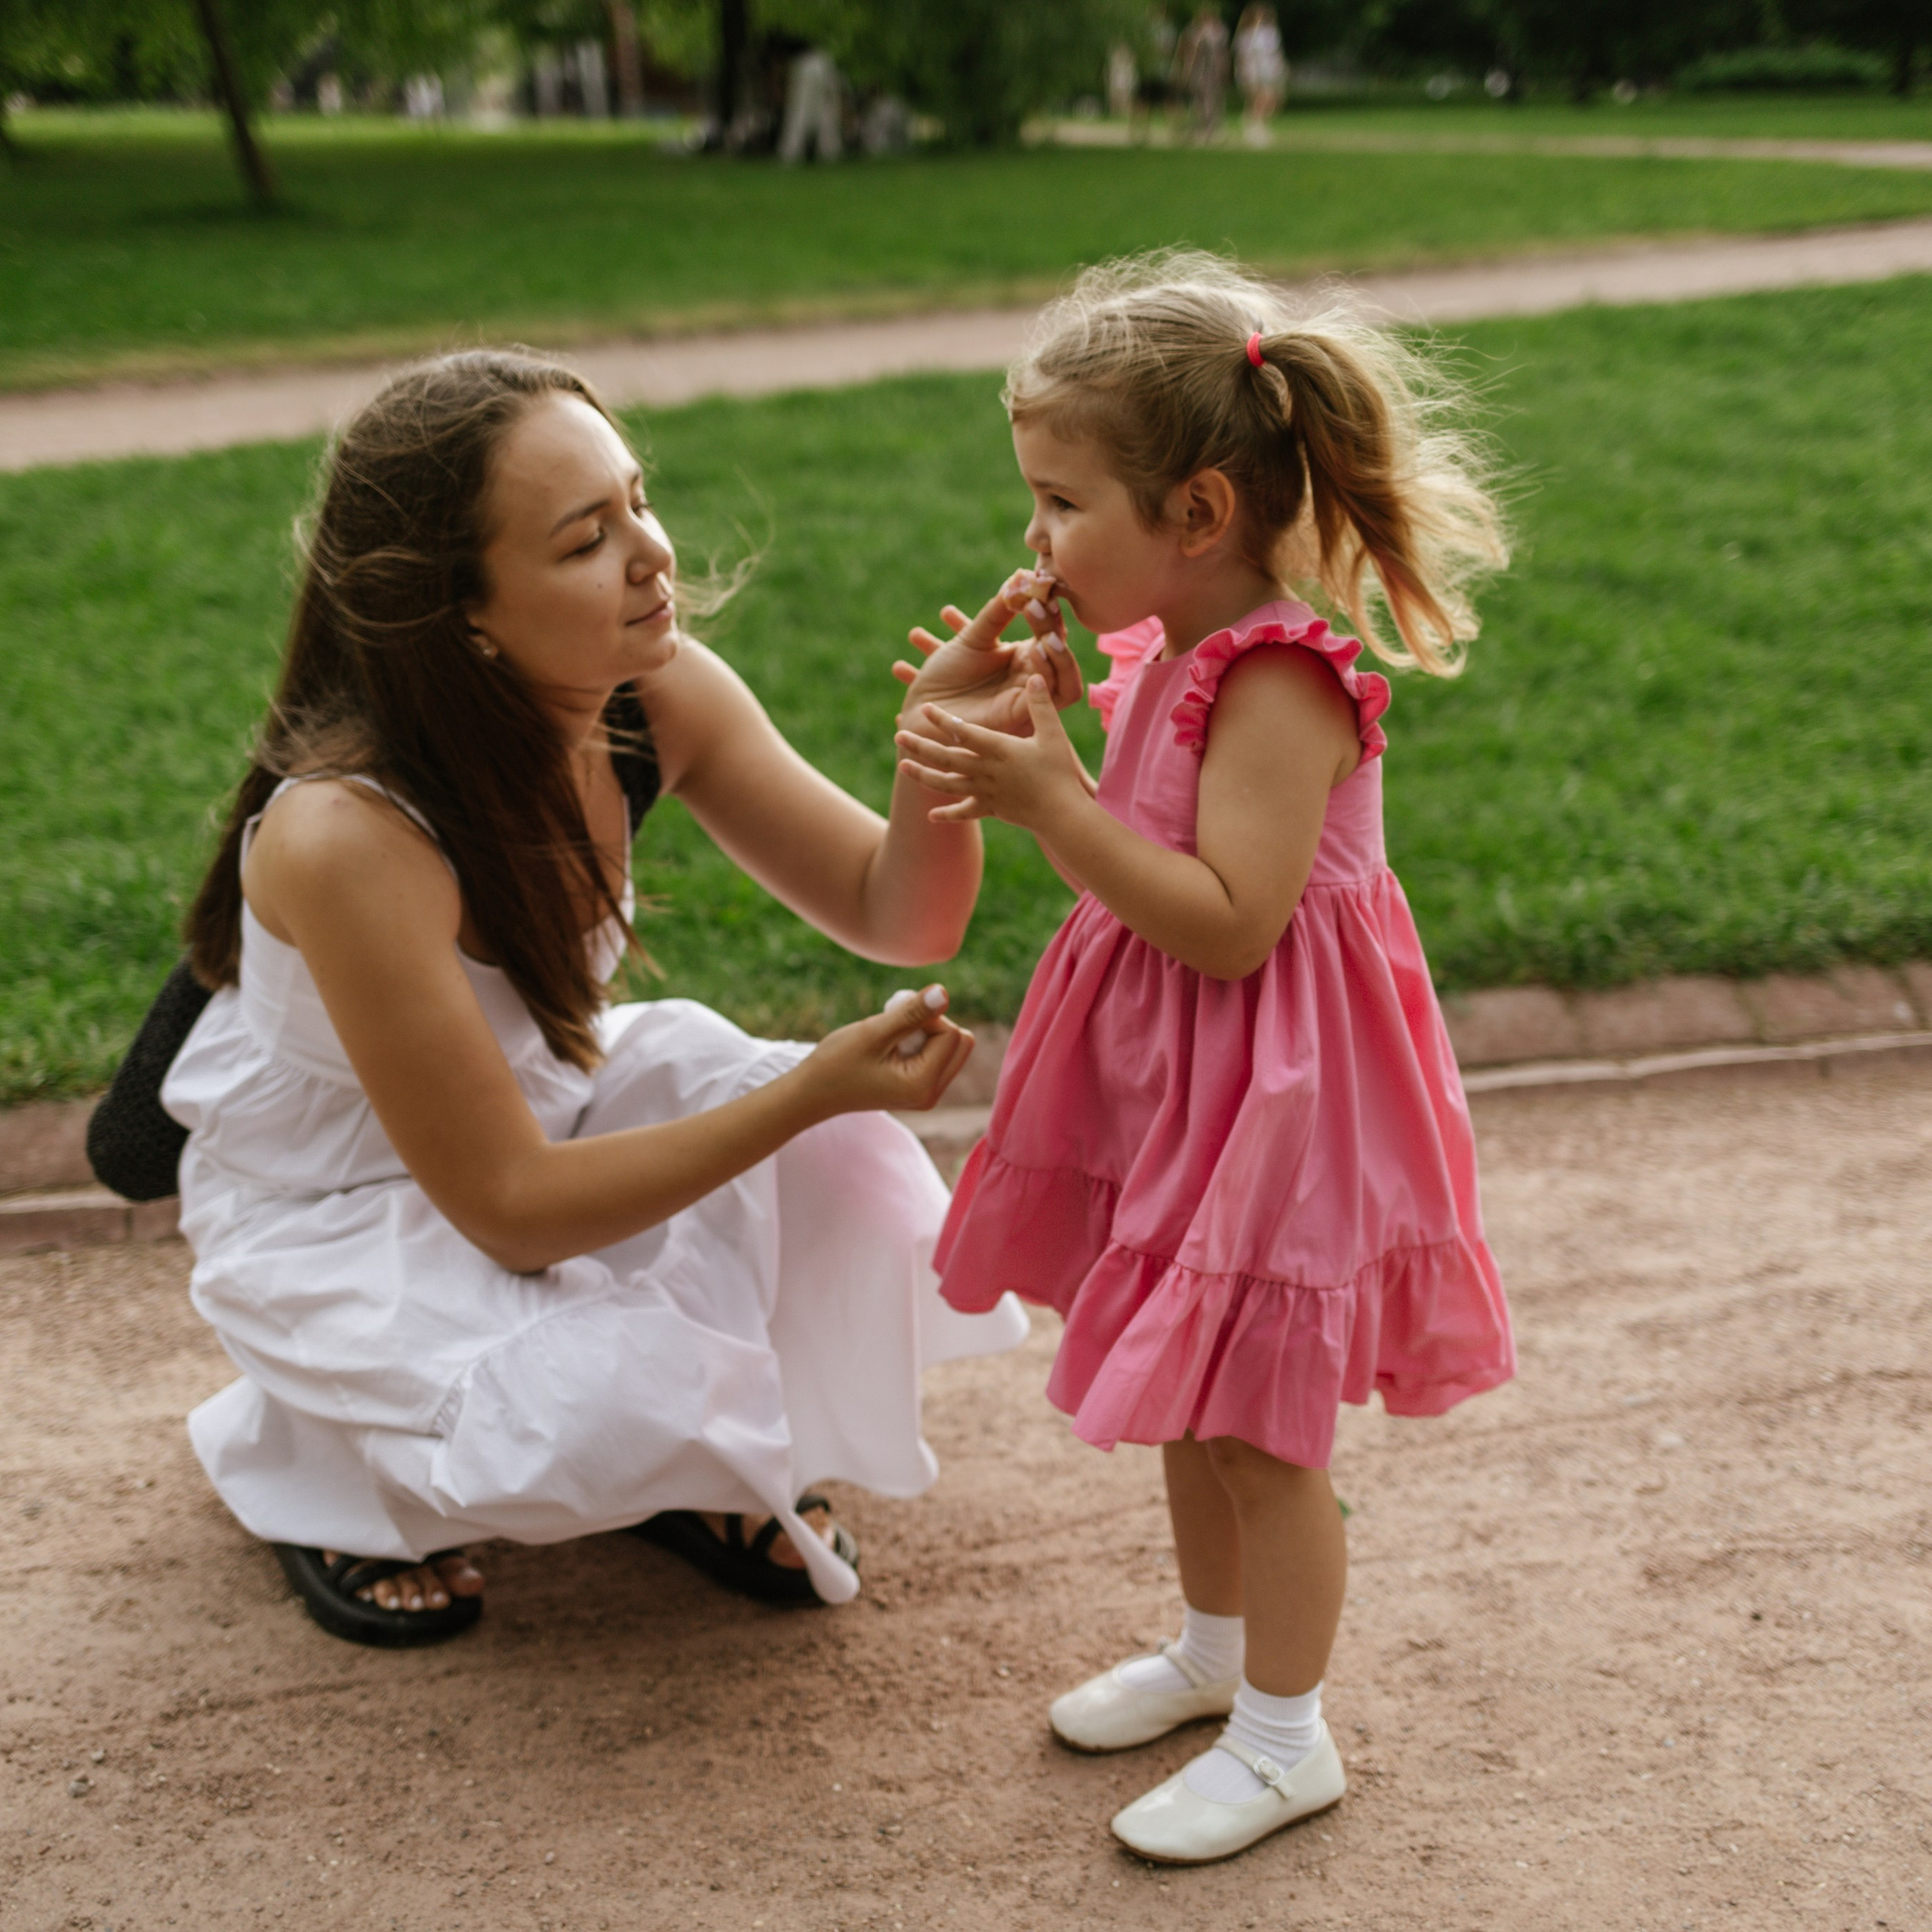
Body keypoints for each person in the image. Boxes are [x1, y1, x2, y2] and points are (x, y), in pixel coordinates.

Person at [162, 350, 1058, 1645]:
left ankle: (694, 1473)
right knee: (594, 1398)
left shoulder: (650, 694)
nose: (652, 553)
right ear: (463, 611)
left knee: (848, 1172)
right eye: (588, 539)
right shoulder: (347, 834)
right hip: (343, 1205)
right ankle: (321, 1472)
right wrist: (807, 1089)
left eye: (638, 500)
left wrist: (935, 742)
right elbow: (513, 1212)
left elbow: (896, 911)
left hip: (540, 1111)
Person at [894, 253, 1515, 1863]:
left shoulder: (1281, 676)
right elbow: (1135, 872)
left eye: (1056, 502)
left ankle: (1285, 1735)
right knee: (1187, 1388)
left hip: (1282, 1098)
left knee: (1257, 1424)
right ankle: (1213, 1650)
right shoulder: (1164, 644)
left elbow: (1233, 922)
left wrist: (1055, 803)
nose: (1032, 540)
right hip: (1189, 1081)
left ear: (1194, 510)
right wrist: (1020, 747)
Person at [1176, 5, 1230, 143]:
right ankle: (1202, 129)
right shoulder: (1194, 32)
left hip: (1213, 72)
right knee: (1200, 101)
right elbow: (1189, 53)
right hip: (1200, 71)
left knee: (1213, 100)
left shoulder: (1218, 31)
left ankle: (1211, 129)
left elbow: (1223, 54)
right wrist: (1186, 71)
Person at [1234, 5, 1287, 145]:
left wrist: (1280, 68)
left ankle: (1256, 123)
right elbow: (1243, 56)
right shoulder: (1246, 35)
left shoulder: (1270, 33)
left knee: (1271, 100)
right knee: (1258, 100)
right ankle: (1255, 128)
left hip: (1268, 71)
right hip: (1252, 72)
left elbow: (1276, 54)